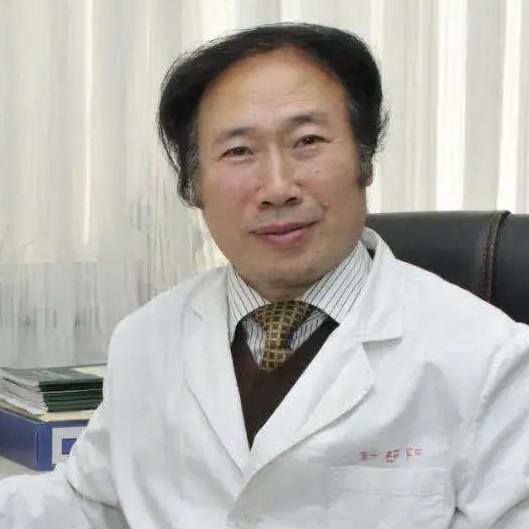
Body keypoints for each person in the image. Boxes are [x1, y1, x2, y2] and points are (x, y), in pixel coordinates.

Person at [1, 22, 529, 529]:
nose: (277, 188)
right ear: (193, 187)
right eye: (238, 151)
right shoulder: (147, 337)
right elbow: (91, 504)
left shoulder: (490, 360)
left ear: (364, 161)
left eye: (308, 141)